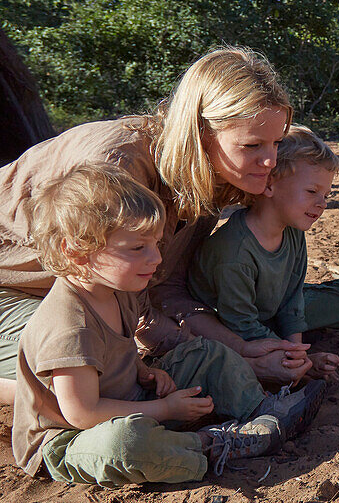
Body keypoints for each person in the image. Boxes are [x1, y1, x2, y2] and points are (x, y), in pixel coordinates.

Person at [0, 46, 314, 407]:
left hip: (77, 295)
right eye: (252, 144)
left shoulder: (205, 178)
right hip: (16, 291)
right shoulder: (114, 170)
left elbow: (165, 288)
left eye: (276, 142)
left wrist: (240, 347)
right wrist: (241, 361)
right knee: (98, 375)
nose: (270, 160)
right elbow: (133, 315)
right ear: (200, 132)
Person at [12, 165, 325, 487]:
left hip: (132, 401)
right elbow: (82, 413)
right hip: (72, 441)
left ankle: (263, 411)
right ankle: (213, 444)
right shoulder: (69, 326)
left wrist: (144, 372)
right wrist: (163, 408)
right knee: (126, 444)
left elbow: (118, 349)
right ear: (77, 251)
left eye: (156, 245)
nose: (156, 259)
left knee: (205, 353)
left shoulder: (118, 290)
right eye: (138, 248)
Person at [187, 126, 339, 382]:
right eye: (312, 191)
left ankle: (283, 346)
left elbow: (292, 300)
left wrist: (296, 348)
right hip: (231, 328)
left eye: (326, 195)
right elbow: (240, 323)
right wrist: (304, 362)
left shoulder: (293, 230)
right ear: (269, 184)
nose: (322, 203)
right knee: (256, 355)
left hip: (268, 314)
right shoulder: (234, 251)